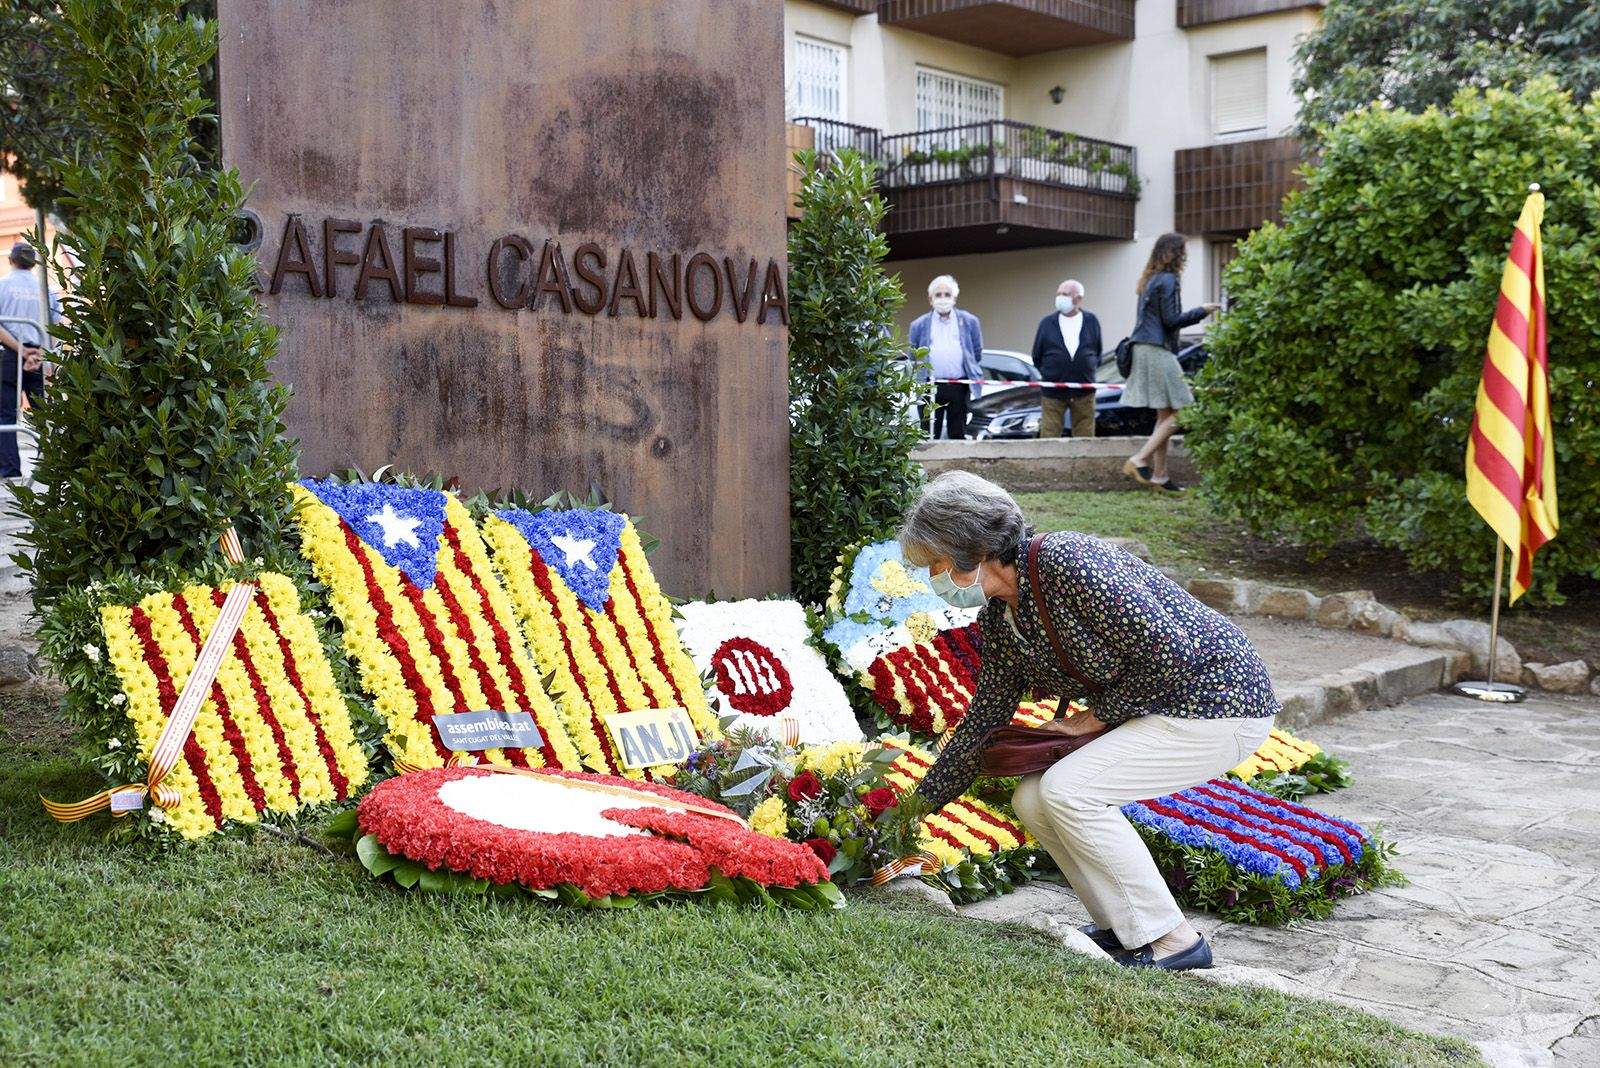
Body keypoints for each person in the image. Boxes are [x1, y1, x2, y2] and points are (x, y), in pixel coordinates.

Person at [900, 471, 1277, 971]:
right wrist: (904, 815)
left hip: (1219, 702)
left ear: (973, 547)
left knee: (1069, 791)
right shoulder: (1000, 617)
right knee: (1032, 798)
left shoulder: (1065, 560)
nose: (933, 580)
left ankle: (1175, 941)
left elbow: (1172, 654)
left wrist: (1090, 720)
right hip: (1162, 706)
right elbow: (982, 721)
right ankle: (1125, 931)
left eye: (937, 564)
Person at [1122, 234, 1218, 493]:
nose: (1185, 256)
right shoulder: (1169, 279)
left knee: (1165, 414)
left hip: (1143, 347)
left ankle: (1160, 476)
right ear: (1175, 253)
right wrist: (1203, 311)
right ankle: (1139, 459)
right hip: (1156, 349)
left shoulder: (1150, 280)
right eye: (1183, 251)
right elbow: (1172, 320)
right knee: (1184, 409)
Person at [0, 242, 60, 479]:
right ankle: (50, 466)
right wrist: (44, 357)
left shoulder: (2, 285)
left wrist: (20, 350)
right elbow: (55, 328)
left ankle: (10, 471)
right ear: (34, 263)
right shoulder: (47, 290)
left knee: (5, 415)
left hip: (9, 354)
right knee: (43, 413)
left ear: (11, 260)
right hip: (39, 355)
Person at [907, 275, 983, 440]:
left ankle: (958, 466)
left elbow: (976, 353)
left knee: (957, 433)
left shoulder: (969, 321)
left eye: (947, 294)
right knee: (928, 434)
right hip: (929, 385)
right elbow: (913, 354)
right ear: (930, 299)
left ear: (955, 298)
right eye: (938, 294)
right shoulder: (918, 325)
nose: (943, 299)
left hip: (959, 385)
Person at [1030, 279, 1101, 439]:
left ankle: (1083, 463)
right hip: (1053, 389)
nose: (1060, 297)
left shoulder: (1091, 321)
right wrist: (1051, 373)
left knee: (1085, 434)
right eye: (1059, 293)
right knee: (1049, 434)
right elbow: (1037, 355)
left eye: (1065, 294)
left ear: (1078, 298)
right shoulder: (1047, 323)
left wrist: (1088, 369)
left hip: (1084, 389)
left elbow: (1097, 351)